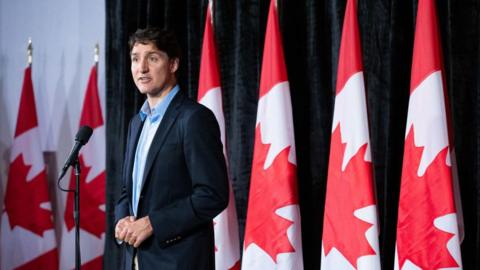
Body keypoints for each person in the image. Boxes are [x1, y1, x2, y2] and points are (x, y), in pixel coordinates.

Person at [114, 27, 229, 270]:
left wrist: (153, 223)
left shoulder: (194, 118)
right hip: (136, 260)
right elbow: (128, 190)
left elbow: (212, 195)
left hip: (179, 261)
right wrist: (122, 220)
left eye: (152, 58)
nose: (141, 68)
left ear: (173, 64)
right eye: (135, 59)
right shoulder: (137, 123)